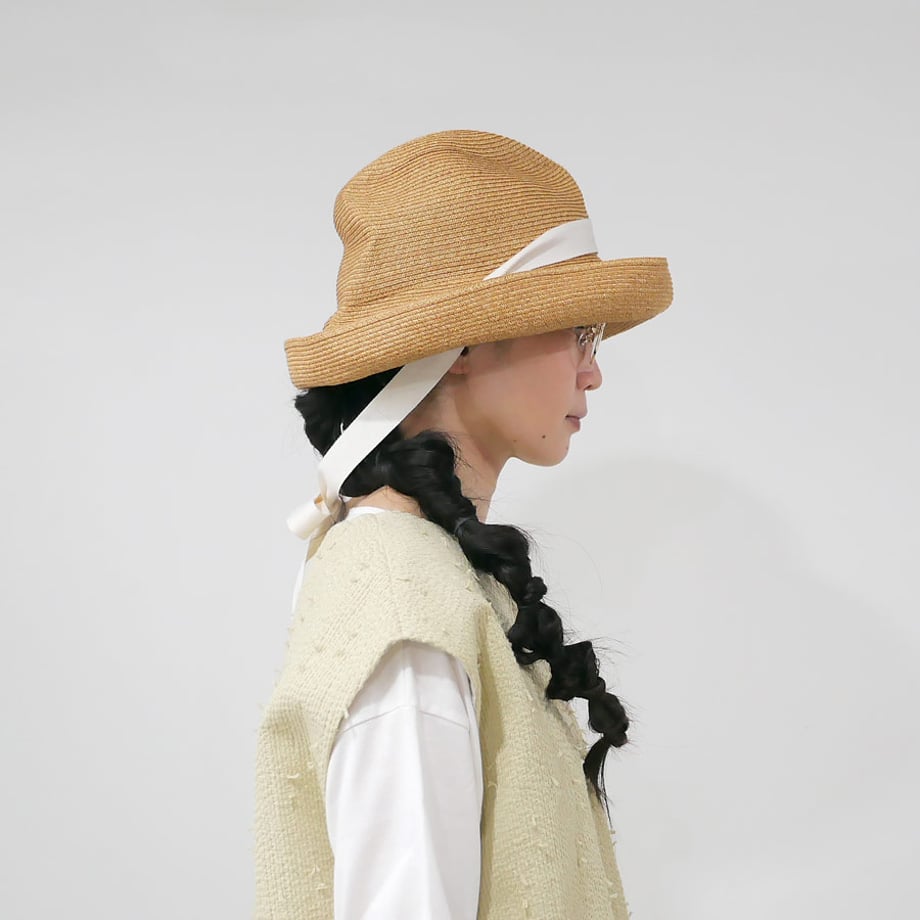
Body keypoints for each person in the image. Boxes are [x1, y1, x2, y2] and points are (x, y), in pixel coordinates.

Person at [253, 128, 673, 920]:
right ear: (464, 346)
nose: (593, 371)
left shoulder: (422, 575)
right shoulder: (406, 606)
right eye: (578, 330)